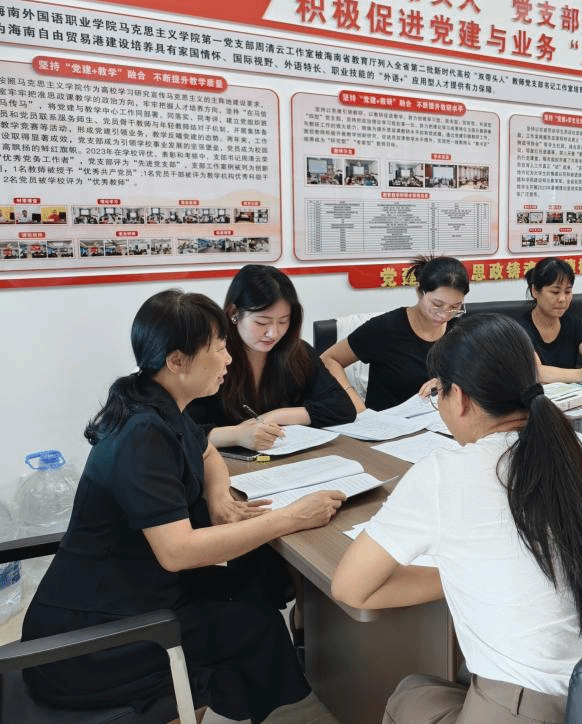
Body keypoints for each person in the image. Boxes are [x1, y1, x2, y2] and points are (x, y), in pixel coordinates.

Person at [21, 290, 345, 723]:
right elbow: (178, 552)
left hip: (130, 593)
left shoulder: (155, 400)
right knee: (250, 625)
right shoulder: (141, 435)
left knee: (254, 583)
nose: (229, 358)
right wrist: (290, 518)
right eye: (218, 349)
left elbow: (206, 450)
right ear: (177, 361)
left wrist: (218, 496)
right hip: (90, 640)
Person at [331, 314, 582, 723]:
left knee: (408, 698)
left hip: (534, 706)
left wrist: (459, 572)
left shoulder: (443, 474)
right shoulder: (581, 452)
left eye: (438, 393)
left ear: (460, 397)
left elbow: (351, 589)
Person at [189, 265, 355, 450]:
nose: (273, 333)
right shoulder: (210, 357)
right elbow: (178, 432)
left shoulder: (297, 353)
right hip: (222, 461)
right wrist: (236, 436)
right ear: (234, 313)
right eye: (262, 322)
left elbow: (342, 408)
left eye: (283, 321)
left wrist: (274, 416)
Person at [322, 255, 470, 412]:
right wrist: (356, 404)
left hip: (440, 423)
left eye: (454, 307)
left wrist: (444, 383)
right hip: (386, 422)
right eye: (437, 304)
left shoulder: (460, 332)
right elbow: (329, 359)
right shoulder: (385, 328)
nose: (444, 315)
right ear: (419, 291)